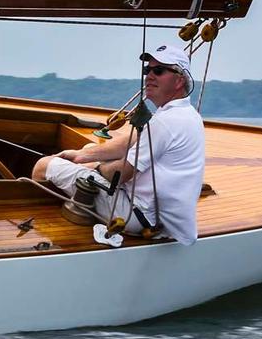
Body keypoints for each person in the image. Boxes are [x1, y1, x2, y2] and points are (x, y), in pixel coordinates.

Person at [32, 45, 205, 245]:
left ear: (179, 80)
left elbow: (122, 173)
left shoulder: (165, 123)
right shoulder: (187, 115)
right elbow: (134, 139)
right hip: (158, 213)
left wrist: (92, 167)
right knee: (89, 150)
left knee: (44, 165)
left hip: (136, 214)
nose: (149, 76)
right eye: (147, 70)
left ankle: (44, 227)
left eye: (159, 71)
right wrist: (82, 156)